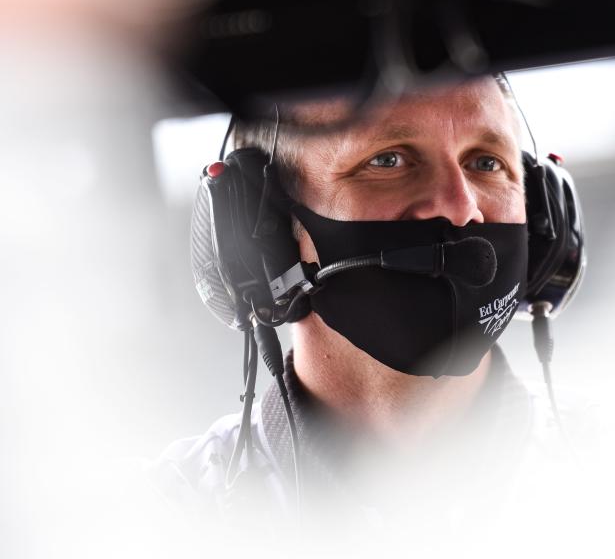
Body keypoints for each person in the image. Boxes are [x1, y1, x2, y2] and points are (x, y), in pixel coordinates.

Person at [149, 75, 571, 531]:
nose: (460, 206)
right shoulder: (166, 524)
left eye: (487, 163)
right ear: (264, 237)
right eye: (388, 161)